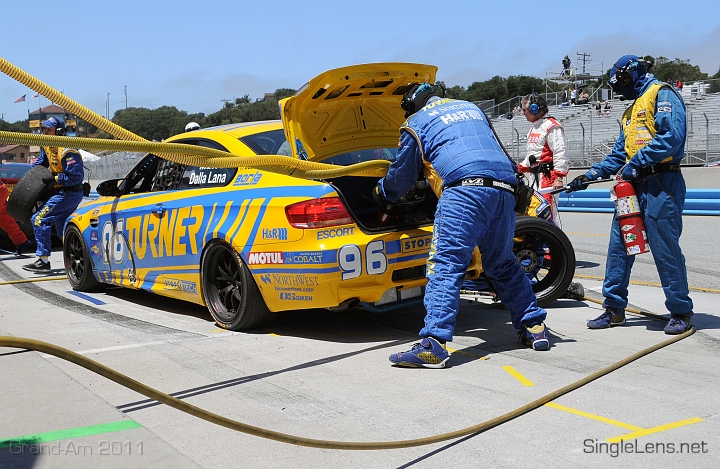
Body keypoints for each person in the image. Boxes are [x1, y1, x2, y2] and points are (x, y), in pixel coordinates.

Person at [374, 83, 550, 368]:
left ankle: (434, 345)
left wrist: (382, 194)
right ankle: (534, 327)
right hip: (504, 188)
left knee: (446, 264)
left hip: (465, 190)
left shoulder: (415, 123)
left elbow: (401, 178)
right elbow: (499, 151)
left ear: (412, 104)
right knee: (502, 263)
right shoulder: (471, 108)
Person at [568, 54, 693, 335]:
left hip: (661, 183)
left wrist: (635, 164)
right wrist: (590, 175)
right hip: (631, 188)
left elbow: (671, 137)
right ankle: (613, 309)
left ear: (632, 75)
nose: (618, 89)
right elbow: (618, 155)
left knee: (665, 250)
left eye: (621, 82)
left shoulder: (661, 94)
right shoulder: (630, 111)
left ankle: (681, 311)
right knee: (619, 248)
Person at [22, 116, 84, 272]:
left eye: (48, 129)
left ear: (58, 131)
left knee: (39, 219)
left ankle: (43, 261)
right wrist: (29, 177)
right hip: (62, 192)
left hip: (69, 193)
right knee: (65, 228)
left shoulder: (68, 151)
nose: (45, 131)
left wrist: (54, 178)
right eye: (44, 128)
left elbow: (76, 177)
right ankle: (78, 258)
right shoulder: (48, 145)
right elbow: (41, 164)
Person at [518, 93, 568, 225]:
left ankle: (553, 244)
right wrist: (519, 168)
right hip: (535, 176)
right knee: (535, 213)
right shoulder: (533, 128)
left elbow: (560, 151)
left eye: (524, 110)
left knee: (547, 214)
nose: (523, 113)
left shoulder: (552, 126)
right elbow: (532, 155)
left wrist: (559, 177)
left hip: (548, 177)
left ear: (534, 109)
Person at [0, 178, 31, 255]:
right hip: (1, 189)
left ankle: (22, 242)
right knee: (4, 219)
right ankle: (22, 242)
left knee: (4, 219)